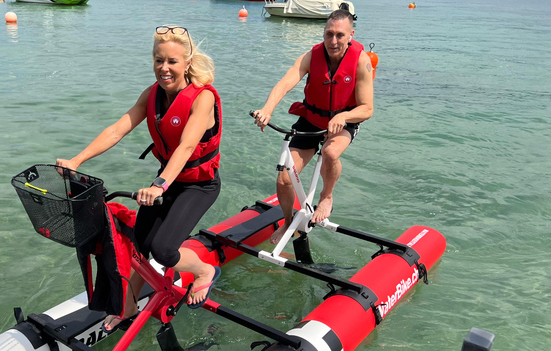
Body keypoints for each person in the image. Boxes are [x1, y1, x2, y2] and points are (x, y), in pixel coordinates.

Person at [57, 26, 222, 331]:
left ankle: (203, 271)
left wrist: (159, 184)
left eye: (172, 61)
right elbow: (118, 129)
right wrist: (77, 160)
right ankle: (129, 302)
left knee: (163, 250)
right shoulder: (152, 95)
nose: (164, 68)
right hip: (168, 180)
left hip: (198, 185)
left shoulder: (203, 99)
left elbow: (186, 147)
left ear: (187, 62)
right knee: (136, 245)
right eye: (159, 60)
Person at [252, 9, 374, 244]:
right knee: (284, 178)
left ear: (351, 35)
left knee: (330, 152)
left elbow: (367, 108)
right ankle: (288, 223)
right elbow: (285, 82)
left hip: (344, 122)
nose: (333, 41)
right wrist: (267, 109)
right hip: (311, 120)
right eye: (329, 34)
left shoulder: (361, 61)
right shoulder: (312, 55)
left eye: (340, 35)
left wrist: (345, 116)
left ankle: (326, 197)